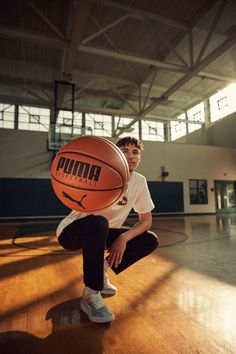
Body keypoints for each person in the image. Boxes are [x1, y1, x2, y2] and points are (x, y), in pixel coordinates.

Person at [56, 136, 159, 323]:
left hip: (104, 232)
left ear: (140, 157)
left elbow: (146, 221)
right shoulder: (101, 170)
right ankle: (90, 293)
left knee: (149, 239)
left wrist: (124, 238)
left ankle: (101, 270)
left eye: (135, 152)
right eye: (125, 151)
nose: (131, 155)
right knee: (99, 222)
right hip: (73, 231)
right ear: (116, 154)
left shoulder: (139, 181)